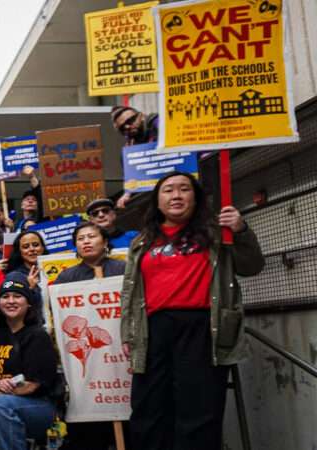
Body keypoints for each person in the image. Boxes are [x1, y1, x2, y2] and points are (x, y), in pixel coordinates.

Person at [121, 171, 264, 450]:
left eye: (184, 189)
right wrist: (128, 332)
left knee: (199, 409)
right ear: (158, 201)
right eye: (168, 190)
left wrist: (241, 230)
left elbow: (251, 266)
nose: (176, 195)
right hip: (152, 332)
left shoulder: (216, 233)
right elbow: (130, 292)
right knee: (148, 407)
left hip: (202, 328)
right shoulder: (141, 242)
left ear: (196, 198)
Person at [0, 271, 57, 450]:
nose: (11, 301)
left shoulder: (37, 336)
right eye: (5, 296)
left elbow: (31, 385)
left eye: (17, 296)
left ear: (29, 303)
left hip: (37, 406)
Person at [54, 222, 126, 450]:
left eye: (91, 236)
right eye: (80, 238)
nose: (85, 241)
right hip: (87, 361)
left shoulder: (125, 270)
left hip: (121, 356)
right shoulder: (66, 278)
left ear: (105, 242)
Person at [110, 105, 159, 209]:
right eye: (122, 127)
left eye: (130, 120)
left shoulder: (155, 122)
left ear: (141, 116)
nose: (127, 126)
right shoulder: (129, 150)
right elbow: (131, 177)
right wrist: (127, 193)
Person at [0, 230, 48, 310]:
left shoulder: (54, 270)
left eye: (35, 245)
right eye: (26, 247)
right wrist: (31, 289)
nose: (31, 249)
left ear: (43, 248)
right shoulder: (14, 277)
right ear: (19, 252)